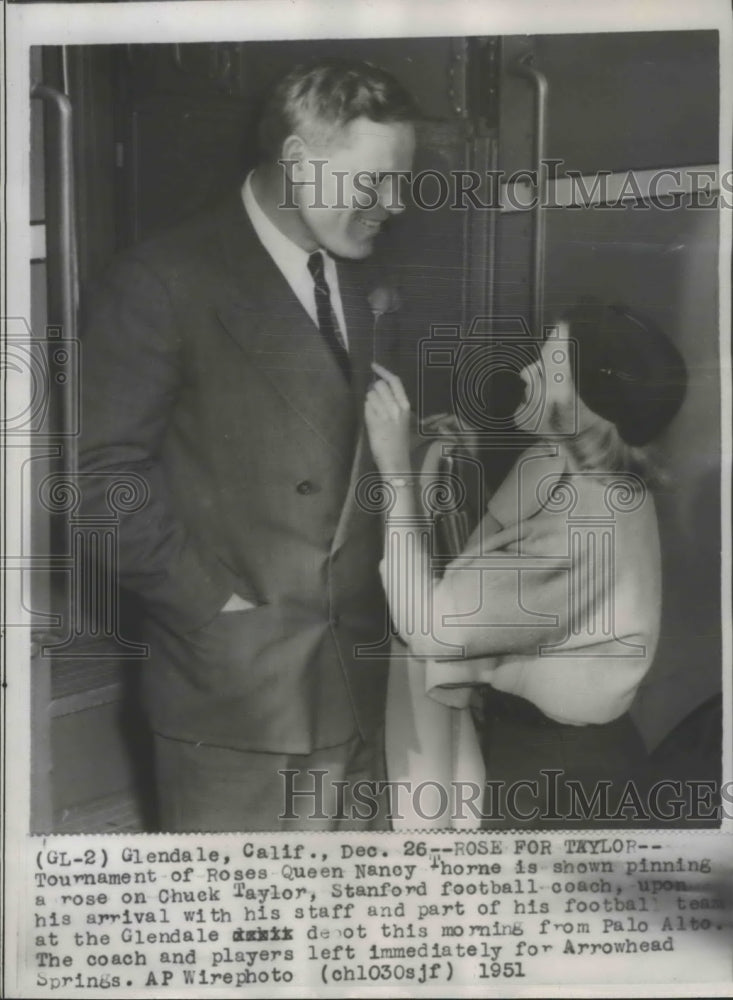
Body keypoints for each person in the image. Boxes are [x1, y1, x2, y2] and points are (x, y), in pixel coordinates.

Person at [79, 58, 418, 831]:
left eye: (401, 181)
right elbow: (98, 483)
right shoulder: (162, 280)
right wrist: (215, 606)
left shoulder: (361, 277)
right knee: (247, 937)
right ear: (298, 164)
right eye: (374, 182)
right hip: (240, 699)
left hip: (356, 685)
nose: (392, 205)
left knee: (347, 937)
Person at [363, 299, 687, 829]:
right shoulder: (598, 480)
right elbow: (513, 568)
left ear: (587, 402)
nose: (527, 371)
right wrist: (463, 463)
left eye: (549, 365)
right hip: (573, 760)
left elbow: (428, 627)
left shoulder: (584, 521)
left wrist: (395, 470)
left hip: (557, 776)